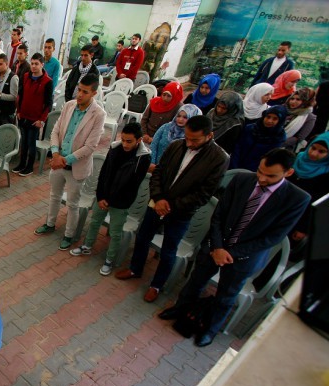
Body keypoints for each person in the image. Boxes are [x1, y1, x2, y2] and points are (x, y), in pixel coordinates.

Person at [159, 149, 309, 347]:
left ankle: (210, 330)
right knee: (195, 281)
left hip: (244, 257)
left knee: (226, 296)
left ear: (288, 172)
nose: (262, 178)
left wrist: (229, 253)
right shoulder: (242, 179)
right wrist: (217, 247)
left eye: (271, 176)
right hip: (215, 245)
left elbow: (273, 237)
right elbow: (219, 215)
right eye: (260, 171)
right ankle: (181, 308)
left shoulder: (297, 198)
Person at [115, 115, 228, 303]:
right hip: (157, 203)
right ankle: (135, 268)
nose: (189, 143)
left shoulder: (219, 158)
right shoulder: (176, 145)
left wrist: (170, 206)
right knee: (142, 237)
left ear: (209, 136)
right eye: (187, 137)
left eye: (195, 140)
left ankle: (156, 285)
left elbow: (204, 194)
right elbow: (158, 172)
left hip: (181, 213)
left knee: (169, 250)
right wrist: (158, 198)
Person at [34, 73, 107, 248]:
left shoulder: (98, 114)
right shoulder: (69, 105)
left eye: (85, 92)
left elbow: (90, 146)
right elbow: (55, 131)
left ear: (94, 93)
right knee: (54, 196)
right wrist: (55, 153)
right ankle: (50, 223)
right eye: (79, 90)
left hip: (76, 167)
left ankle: (69, 235)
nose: (79, 95)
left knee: (73, 204)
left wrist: (64, 160)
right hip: (58, 161)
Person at [69, 122, 151, 275]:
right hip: (103, 197)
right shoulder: (114, 148)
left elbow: (132, 185)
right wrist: (101, 196)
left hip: (121, 202)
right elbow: (104, 173)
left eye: (129, 141)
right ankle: (87, 246)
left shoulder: (143, 158)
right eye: (123, 139)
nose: (125, 144)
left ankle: (109, 260)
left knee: (115, 232)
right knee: (94, 222)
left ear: (139, 140)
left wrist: (110, 200)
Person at [14, 53, 54, 176]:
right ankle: (22, 164)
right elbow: (20, 95)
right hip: (23, 115)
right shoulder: (26, 76)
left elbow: (48, 103)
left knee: (31, 144)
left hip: (35, 119)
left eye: (36, 64)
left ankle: (29, 167)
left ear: (42, 65)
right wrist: (18, 111)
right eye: (32, 63)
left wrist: (42, 120)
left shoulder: (48, 81)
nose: (33, 66)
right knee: (23, 143)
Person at [289, 132, 329, 242]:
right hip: (276, 210)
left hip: (297, 219)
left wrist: (303, 228)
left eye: (321, 151)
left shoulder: (326, 175)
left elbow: (319, 206)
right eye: (313, 148)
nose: (314, 153)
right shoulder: (296, 158)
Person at [231, 106, 288, 171]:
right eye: (268, 117)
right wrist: (233, 166)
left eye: (275, 119)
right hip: (234, 164)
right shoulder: (250, 128)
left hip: (253, 170)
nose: (269, 121)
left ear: (280, 121)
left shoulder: (278, 138)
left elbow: (266, 158)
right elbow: (238, 147)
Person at [150, 104, 202, 170]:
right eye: (179, 116)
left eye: (185, 117)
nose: (180, 119)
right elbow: (154, 145)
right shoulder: (166, 127)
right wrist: (152, 163)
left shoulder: (193, 136)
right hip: (154, 167)